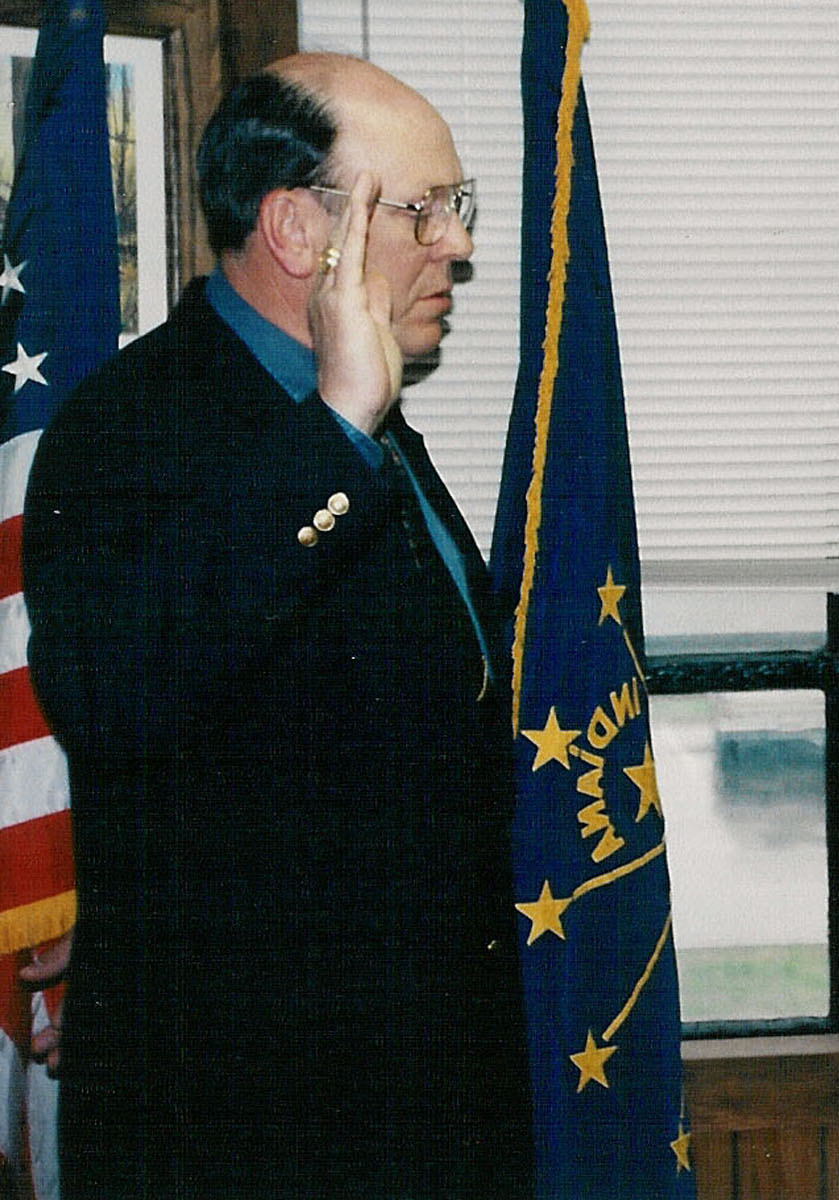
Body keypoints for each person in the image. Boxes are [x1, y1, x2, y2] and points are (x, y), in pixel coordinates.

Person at [21, 53, 531, 1199]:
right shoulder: (131, 425)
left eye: (458, 208)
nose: (456, 243)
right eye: (424, 210)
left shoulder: (363, 418)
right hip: (241, 1125)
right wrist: (340, 428)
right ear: (299, 228)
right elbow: (116, 689)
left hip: (423, 1100)